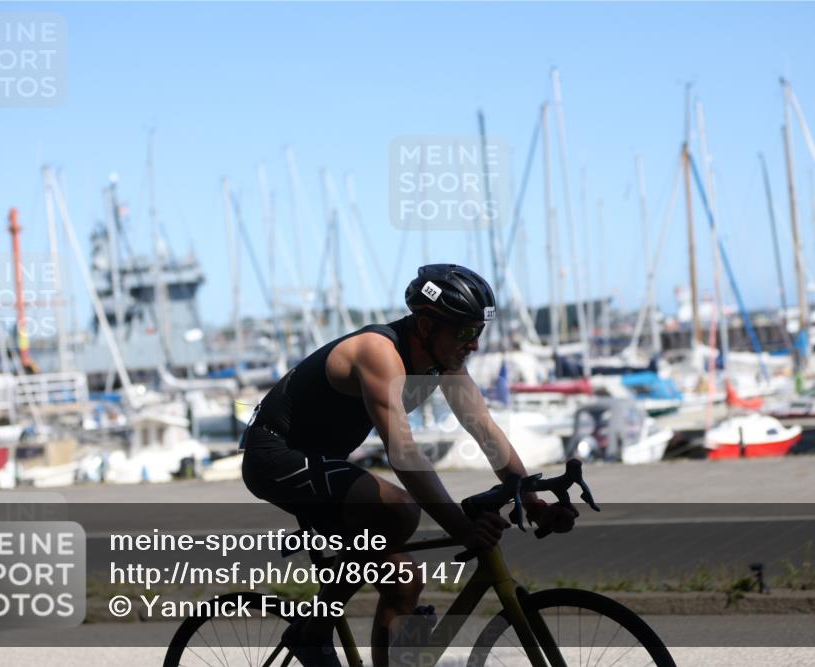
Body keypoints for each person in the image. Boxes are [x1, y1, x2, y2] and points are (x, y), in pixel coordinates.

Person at [241, 263, 576, 666]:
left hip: (325, 464)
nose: (473, 344)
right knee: (399, 512)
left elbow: (485, 431)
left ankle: (373, 652)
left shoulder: (445, 362)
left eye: (479, 332)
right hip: (273, 458)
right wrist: (463, 527)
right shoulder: (377, 353)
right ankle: (313, 633)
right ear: (425, 325)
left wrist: (533, 501)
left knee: (405, 583)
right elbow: (403, 452)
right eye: (465, 332)